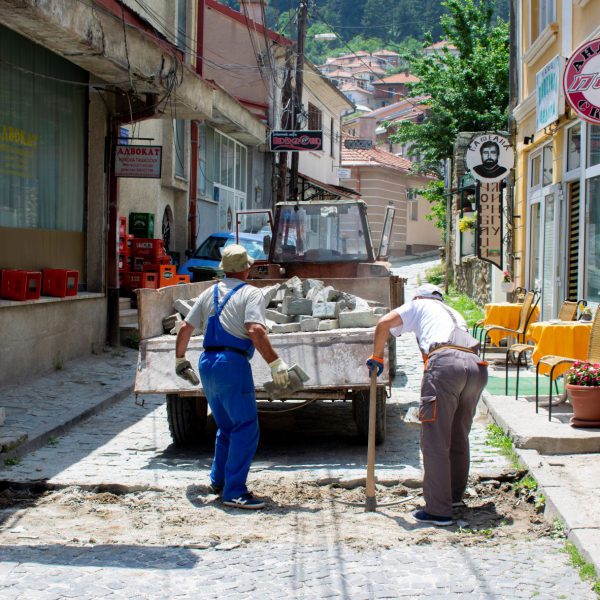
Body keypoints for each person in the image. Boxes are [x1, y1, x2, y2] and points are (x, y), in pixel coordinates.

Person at [175, 244, 290, 510]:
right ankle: (235, 491)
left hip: (207, 363)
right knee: (246, 428)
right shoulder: (251, 294)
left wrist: (180, 360)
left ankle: (219, 480)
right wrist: (276, 364)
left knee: (226, 426)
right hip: (232, 363)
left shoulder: (209, 292)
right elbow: (255, 331)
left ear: (224, 269)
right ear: (246, 268)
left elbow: (184, 327)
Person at [367, 283, 488, 526]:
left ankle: (438, 510)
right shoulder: (453, 312)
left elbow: (383, 324)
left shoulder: (417, 304)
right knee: (458, 435)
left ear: (419, 296)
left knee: (434, 438)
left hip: (446, 366)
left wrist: (377, 356)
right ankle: (452, 497)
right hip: (476, 368)